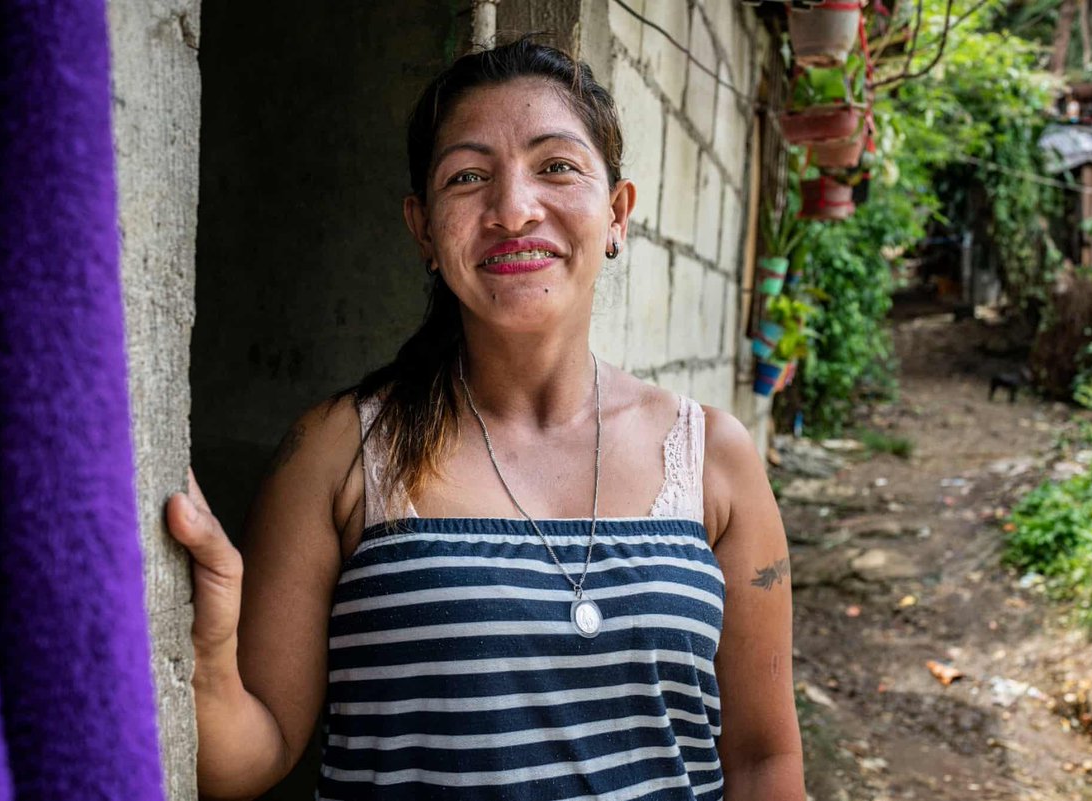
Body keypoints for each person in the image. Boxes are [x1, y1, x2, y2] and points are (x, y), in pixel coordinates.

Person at [167, 37, 804, 801]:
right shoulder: (338, 452)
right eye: (468, 177)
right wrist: (203, 658)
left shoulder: (711, 457)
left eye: (557, 166)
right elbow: (246, 757)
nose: (512, 209)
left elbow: (765, 759)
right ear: (424, 230)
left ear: (617, 213)